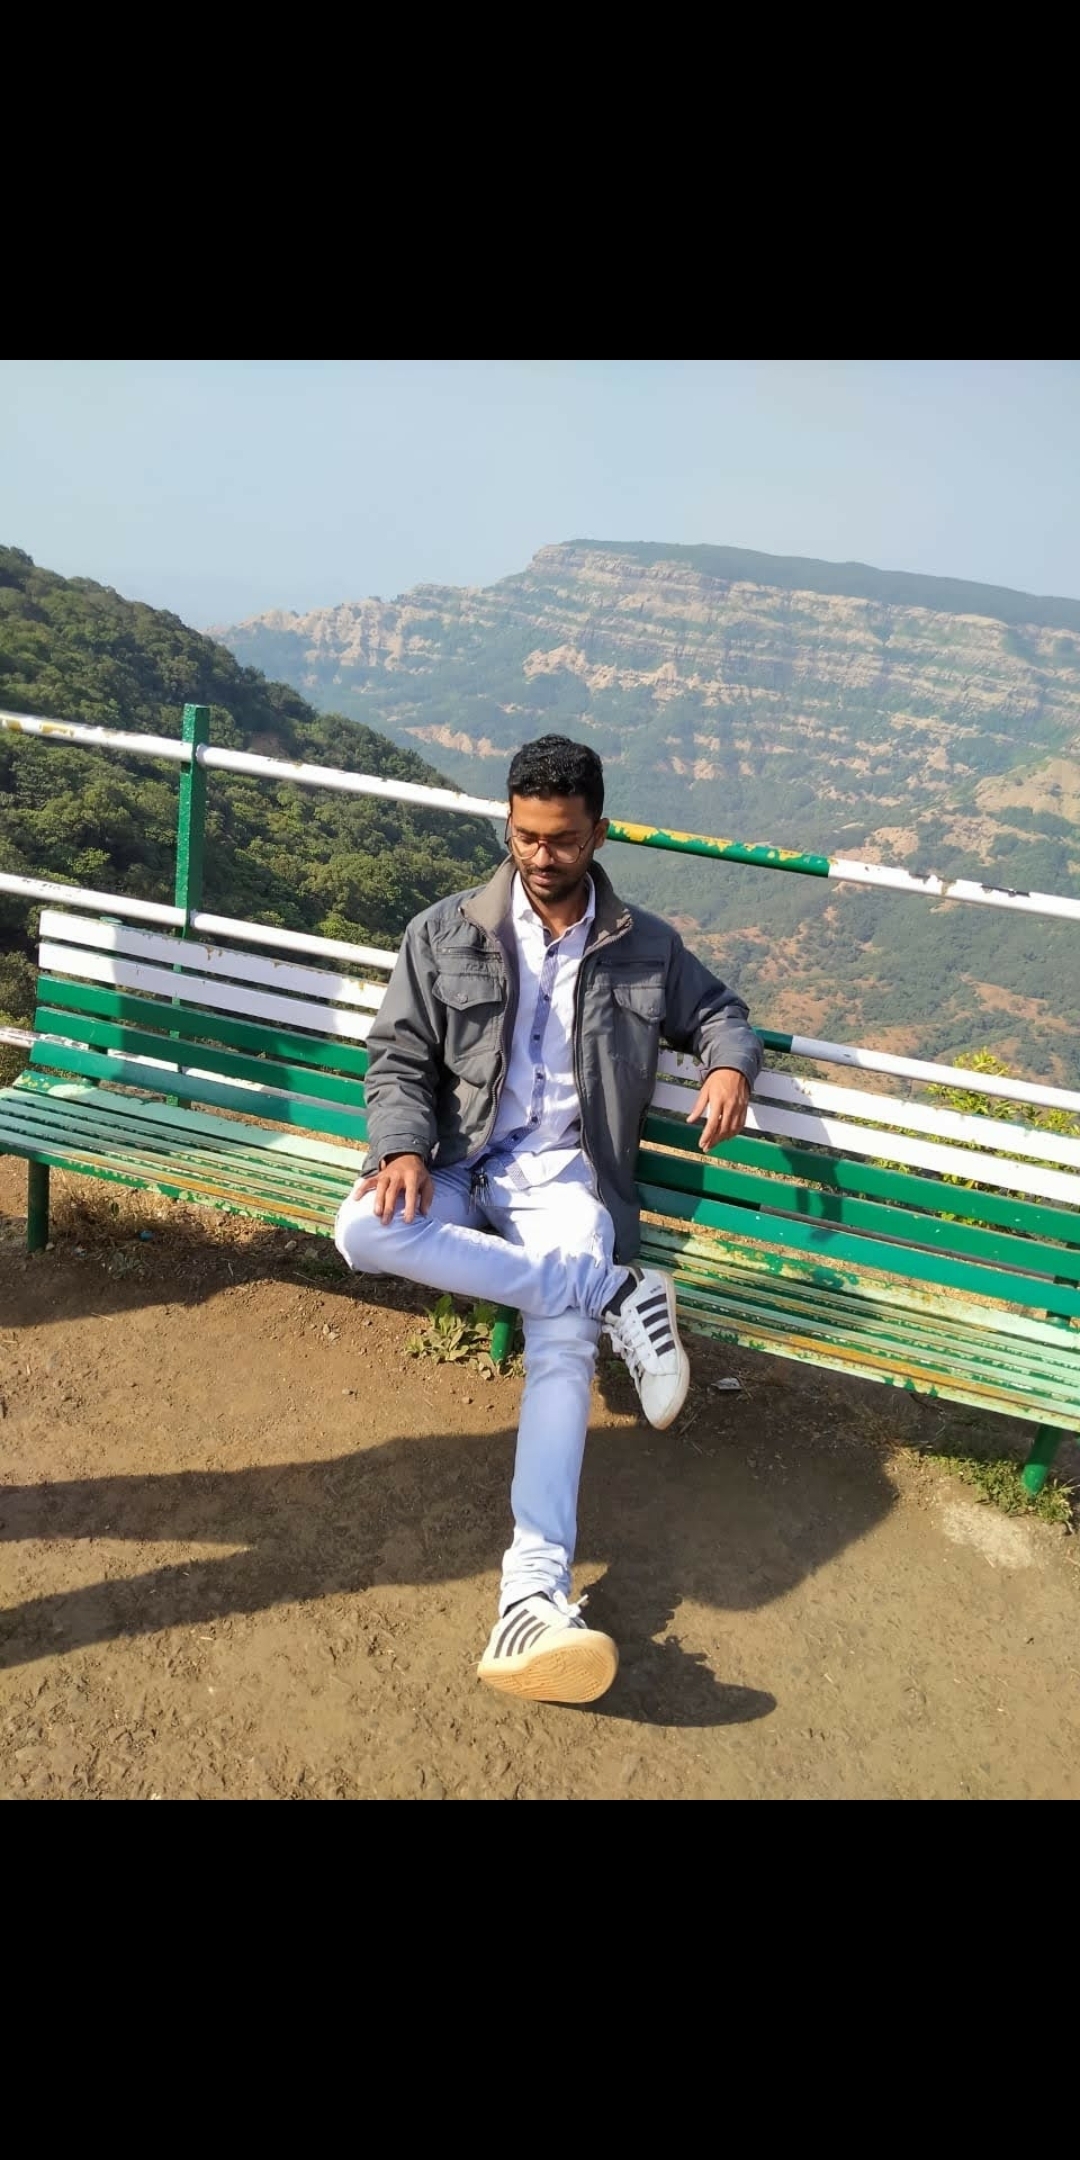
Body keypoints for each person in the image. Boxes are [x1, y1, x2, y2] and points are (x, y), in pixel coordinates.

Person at [334, 735, 762, 1705]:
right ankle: (611, 1289)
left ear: (597, 833)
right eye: (525, 836)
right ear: (509, 825)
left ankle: (531, 1593)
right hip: (454, 1161)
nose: (540, 856)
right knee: (360, 1230)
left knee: (562, 1340)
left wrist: (730, 1063)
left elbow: (721, 1012)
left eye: (561, 839)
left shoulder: (645, 945)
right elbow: (398, 1056)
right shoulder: (445, 931)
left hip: (564, 1178)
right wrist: (401, 1149)